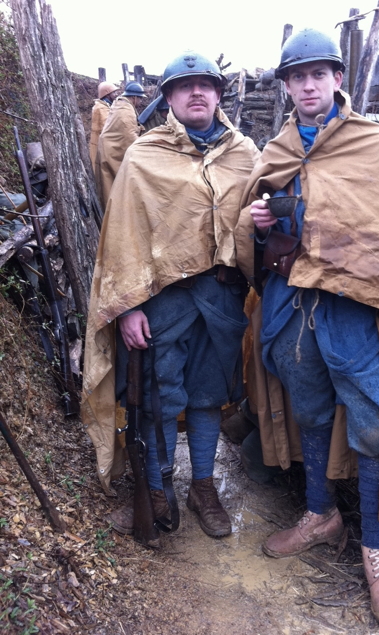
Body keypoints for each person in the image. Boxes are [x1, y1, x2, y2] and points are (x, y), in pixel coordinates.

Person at [235, 28, 379, 625]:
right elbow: (258, 229)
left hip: (354, 307)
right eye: (297, 77)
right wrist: (259, 219)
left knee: (373, 421)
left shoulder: (372, 144)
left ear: (337, 79)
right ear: (288, 86)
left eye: (317, 74)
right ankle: (321, 515)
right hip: (294, 303)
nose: (307, 84)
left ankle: (377, 550)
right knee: (311, 408)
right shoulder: (276, 151)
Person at [81, 51, 260, 540]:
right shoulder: (145, 155)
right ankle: (156, 488)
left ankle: (203, 486)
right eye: (185, 86)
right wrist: (129, 306)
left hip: (223, 296)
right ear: (169, 98)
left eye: (206, 84)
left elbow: (257, 226)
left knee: (208, 395)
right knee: (160, 395)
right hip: (164, 300)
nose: (197, 92)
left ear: (219, 94)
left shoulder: (246, 153)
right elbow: (123, 234)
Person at [94, 81, 146, 208]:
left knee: (111, 184)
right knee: (113, 186)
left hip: (109, 149)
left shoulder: (121, 104)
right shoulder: (125, 109)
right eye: (140, 99)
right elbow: (129, 136)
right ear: (134, 98)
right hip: (112, 152)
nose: (140, 102)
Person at [89, 81, 120, 171]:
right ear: (107, 94)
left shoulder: (106, 106)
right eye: (113, 92)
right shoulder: (101, 108)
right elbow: (108, 125)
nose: (116, 94)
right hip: (100, 144)